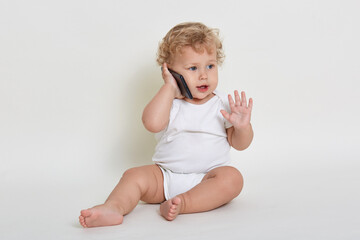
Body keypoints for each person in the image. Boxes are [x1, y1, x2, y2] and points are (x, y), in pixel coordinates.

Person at [79, 22, 253, 228]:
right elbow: (151, 123)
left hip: (209, 178)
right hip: (165, 177)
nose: (203, 75)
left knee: (233, 178)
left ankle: (183, 203)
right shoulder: (169, 103)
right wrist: (169, 88)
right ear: (170, 72)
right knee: (133, 176)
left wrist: (242, 127)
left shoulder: (222, 103)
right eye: (193, 68)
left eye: (210, 65)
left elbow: (240, 144)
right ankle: (113, 207)